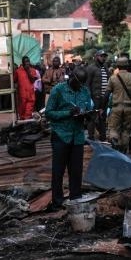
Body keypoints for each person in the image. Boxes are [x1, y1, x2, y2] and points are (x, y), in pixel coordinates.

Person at [46, 68, 93, 211]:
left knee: (76, 170)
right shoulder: (58, 90)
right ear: (71, 77)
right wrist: (68, 113)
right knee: (58, 171)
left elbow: (88, 108)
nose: (79, 87)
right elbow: (49, 113)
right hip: (61, 135)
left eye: (82, 84)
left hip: (77, 136)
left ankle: (75, 198)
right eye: (77, 83)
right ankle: (57, 202)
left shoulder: (84, 91)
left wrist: (88, 115)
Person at [106, 57, 131, 152]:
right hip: (129, 108)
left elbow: (107, 94)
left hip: (116, 108)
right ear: (127, 66)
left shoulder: (113, 78)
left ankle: (114, 140)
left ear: (117, 66)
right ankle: (123, 151)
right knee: (126, 130)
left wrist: (102, 107)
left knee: (113, 128)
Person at [83, 49, 111, 141]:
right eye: (101, 56)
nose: (103, 58)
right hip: (94, 97)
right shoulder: (91, 68)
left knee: (103, 117)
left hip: (104, 98)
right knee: (92, 117)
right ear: (96, 57)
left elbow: (108, 82)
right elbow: (87, 84)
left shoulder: (106, 68)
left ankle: (102, 136)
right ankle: (91, 136)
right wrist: (89, 97)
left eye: (104, 56)